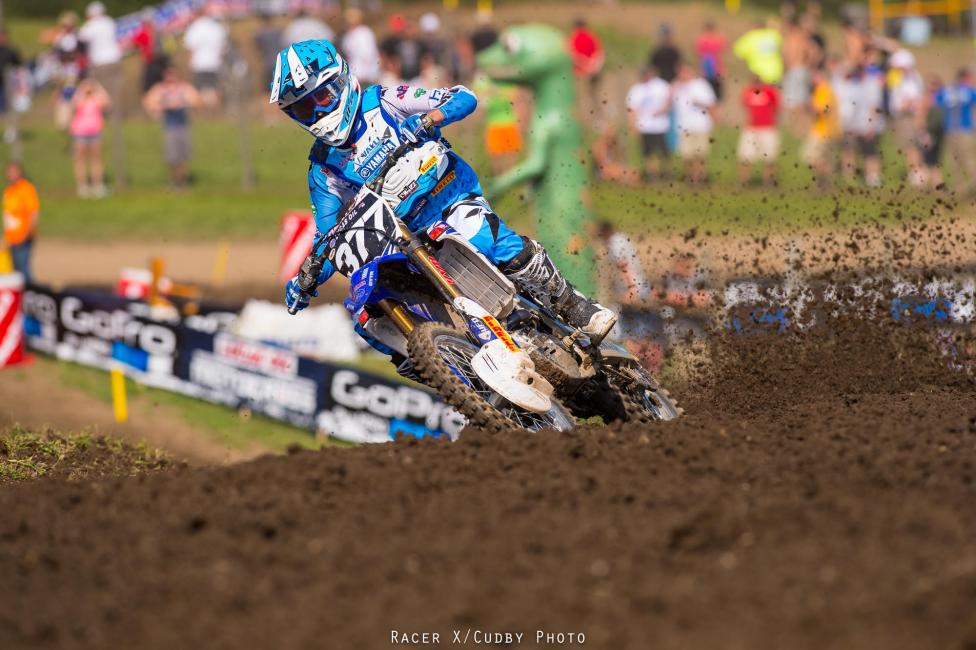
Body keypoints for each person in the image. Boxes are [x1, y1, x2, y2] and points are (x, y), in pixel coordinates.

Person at [270, 39, 617, 368]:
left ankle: (575, 307)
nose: (317, 110)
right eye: (303, 107)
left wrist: (429, 119)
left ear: (342, 80)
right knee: (370, 309)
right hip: (404, 239)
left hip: (449, 198)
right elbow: (331, 236)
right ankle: (451, 374)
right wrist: (307, 275)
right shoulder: (323, 166)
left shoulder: (386, 100)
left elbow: (462, 97)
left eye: (323, 97)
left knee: (484, 238)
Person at [143, 66, 201, 188]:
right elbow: (148, 102)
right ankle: (173, 181)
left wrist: (182, 103)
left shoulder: (184, 88)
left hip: (183, 125)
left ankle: (183, 181)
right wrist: (164, 105)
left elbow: (197, 100)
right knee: (172, 156)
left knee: (184, 155)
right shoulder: (160, 89)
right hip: (170, 127)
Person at [837, 64, 885, 187]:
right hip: (854, 126)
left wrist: (871, 126)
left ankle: (873, 178)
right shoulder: (853, 84)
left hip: (869, 126)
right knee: (849, 150)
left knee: (870, 153)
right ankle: (849, 177)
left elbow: (874, 107)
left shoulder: (872, 85)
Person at [934, 67, 976, 196]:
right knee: (968, 159)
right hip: (965, 129)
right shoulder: (969, 91)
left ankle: (958, 189)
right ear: (965, 78)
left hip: (950, 129)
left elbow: (935, 103)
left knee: (953, 160)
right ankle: (969, 188)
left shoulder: (947, 91)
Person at [672, 62, 716, 184]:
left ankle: (701, 176)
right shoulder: (677, 87)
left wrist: (700, 104)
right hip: (684, 125)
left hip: (700, 125)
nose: (683, 74)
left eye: (686, 71)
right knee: (687, 154)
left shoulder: (701, 85)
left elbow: (711, 104)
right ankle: (689, 176)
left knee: (700, 153)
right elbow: (670, 101)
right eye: (681, 72)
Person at [625, 66, 671, 182]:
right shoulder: (637, 89)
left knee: (664, 152)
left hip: (661, 126)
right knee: (648, 153)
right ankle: (652, 174)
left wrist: (664, 108)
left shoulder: (662, 86)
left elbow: (670, 99)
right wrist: (632, 125)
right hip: (645, 126)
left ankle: (666, 173)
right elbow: (632, 108)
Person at [887, 49, 925, 186]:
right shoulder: (898, 77)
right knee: (908, 146)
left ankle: (916, 172)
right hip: (901, 116)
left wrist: (908, 105)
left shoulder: (913, 78)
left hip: (908, 116)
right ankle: (915, 171)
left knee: (912, 146)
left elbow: (914, 99)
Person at [70, 78, 111, 198]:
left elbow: (107, 101)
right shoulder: (80, 98)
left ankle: (97, 184)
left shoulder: (96, 99)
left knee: (96, 159)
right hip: (80, 132)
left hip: (95, 132)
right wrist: (81, 88)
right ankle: (82, 186)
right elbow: (74, 103)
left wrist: (97, 86)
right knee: (80, 159)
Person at [801, 65, 841, 188]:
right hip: (825, 130)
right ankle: (824, 180)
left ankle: (825, 179)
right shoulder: (824, 89)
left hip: (823, 131)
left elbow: (821, 110)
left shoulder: (823, 89)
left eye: (815, 75)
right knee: (819, 158)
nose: (812, 78)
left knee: (809, 156)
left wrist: (808, 105)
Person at [738, 75, 781, 186]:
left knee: (769, 157)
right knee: (745, 156)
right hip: (751, 128)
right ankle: (744, 181)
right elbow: (744, 105)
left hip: (767, 128)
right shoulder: (748, 92)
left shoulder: (769, 92)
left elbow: (777, 107)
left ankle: (768, 181)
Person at [183, 8, 228, 109]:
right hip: (215, 63)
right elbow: (223, 48)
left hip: (200, 63)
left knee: (202, 89)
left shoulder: (194, 27)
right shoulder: (217, 27)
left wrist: (189, 63)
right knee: (215, 88)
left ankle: (205, 112)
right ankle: (216, 111)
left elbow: (190, 47)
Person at [2, 163, 39, 282]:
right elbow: (8, 216)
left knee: (24, 272)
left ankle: (34, 296)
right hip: (12, 238)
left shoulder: (26, 189)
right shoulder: (8, 191)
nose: (11, 175)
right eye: (9, 172)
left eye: (14, 171)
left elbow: (34, 212)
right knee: (15, 272)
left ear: (20, 173)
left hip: (23, 237)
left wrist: (29, 232)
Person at [781, 16, 815, 133]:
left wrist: (802, 64)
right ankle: (798, 128)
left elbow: (813, 52)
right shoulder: (802, 38)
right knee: (799, 101)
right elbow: (813, 52)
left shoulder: (794, 38)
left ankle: (797, 129)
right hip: (801, 70)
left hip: (796, 70)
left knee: (796, 102)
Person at [78, 1, 122, 91]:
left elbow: (81, 37)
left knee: (101, 93)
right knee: (115, 91)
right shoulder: (109, 22)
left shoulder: (90, 25)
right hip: (115, 59)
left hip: (99, 62)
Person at [568, 18, 605, 118]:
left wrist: (585, 65)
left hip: (580, 74)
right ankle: (598, 121)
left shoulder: (574, 38)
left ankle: (584, 122)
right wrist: (593, 66)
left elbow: (571, 56)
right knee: (595, 97)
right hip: (594, 73)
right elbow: (600, 55)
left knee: (580, 99)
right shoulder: (592, 37)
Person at [733, 19, 783, 85]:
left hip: (758, 76)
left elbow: (738, 52)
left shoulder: (750, 37)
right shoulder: (773, 34)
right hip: (776, 74)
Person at [919, 74, 946, 189]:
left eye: (935, 84)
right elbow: (921, 117)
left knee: (934, 159)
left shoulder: (942, 98)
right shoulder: (927, 99)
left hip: (939, 133)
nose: (933, 87)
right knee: (928, 159)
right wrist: (924, 133)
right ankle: (929, 184)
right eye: (931, 84)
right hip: (929, 133)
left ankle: (934, 183)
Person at [341, 8, 380, 86]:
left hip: (365, 76)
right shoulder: (346, 35)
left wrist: (366, 74)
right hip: (352, 74)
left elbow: (368, 54)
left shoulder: (364, 32)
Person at [695, 20, 727, 101]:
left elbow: (698, 55)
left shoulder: (701, 40)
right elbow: (722, 52)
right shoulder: (719, 39)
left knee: (706, 95)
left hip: (705, 71)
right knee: (717, 98)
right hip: (717, 70)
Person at [254, 13, 284, 93]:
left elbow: (257, 46)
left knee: (267, 90)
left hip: (267, 64)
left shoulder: (260, 33)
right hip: (279, 63)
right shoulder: (278, 32)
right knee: (280, 89)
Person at [0, 30, 22, 119]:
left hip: (7, 80)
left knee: (10, 105)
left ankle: (12, 130)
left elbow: (18, 65)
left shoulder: (11, 51)